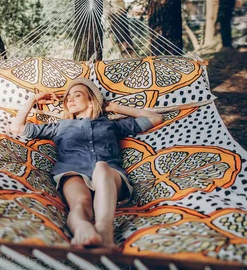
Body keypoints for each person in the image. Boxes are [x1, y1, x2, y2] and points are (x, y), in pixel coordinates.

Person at [10, 77, 163, 248]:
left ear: (91, 100)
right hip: (73, 172)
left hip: (109, 176)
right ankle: (83, 229)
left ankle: (104, 231)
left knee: (102, 167)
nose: (70, 99)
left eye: (77, 95)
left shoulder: (111, 125)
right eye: (68, 98)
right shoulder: (60, 126)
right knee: (81, 203)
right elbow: (17, 128)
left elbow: (154, 117)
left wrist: (113, 107)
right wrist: (32, 100)